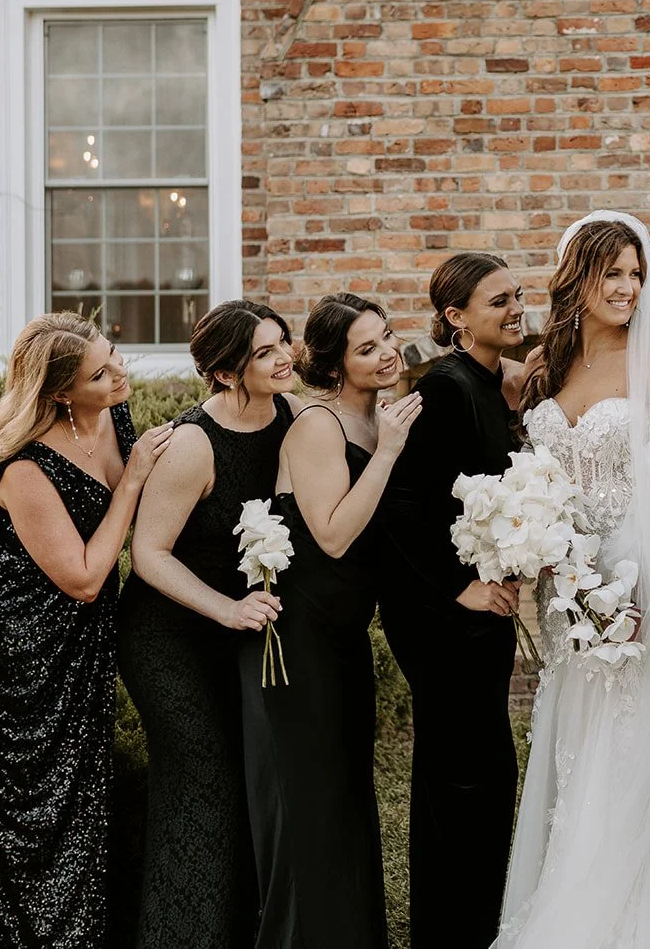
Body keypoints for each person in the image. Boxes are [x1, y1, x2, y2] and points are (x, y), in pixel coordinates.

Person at [499, 211, 650, 948]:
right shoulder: (549, 361)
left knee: (622, 768)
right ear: (578, 276)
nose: (630, 287)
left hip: (637, 595)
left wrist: (638, 593)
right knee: (573, 764)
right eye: (614, 273)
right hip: (567, 592)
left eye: (637, 273)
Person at [0, 312, 172, 947]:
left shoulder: (112, 414)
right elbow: (80, 576)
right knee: (37, 809)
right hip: (23, 651)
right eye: (99, 374)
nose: (119, 374)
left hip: (84, 640)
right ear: (58, 393)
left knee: (84, 794)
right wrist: (131, 481)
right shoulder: (25, 469)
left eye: (115, 356)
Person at [120, 300, 297, 949]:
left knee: (246, 783)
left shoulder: (290, 415)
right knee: (205, 783)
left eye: (285, 343)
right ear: (224, 372)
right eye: (267, 352)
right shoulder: (195, 442)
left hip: (238, 639)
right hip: (168, 637)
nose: (285, 357)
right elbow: (147, 555)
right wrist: (227, 609)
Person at [247, 294, 421, 948]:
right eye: (367, 347)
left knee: (348, 799)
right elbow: (333, 534)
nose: (387, 353)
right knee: (313, 804)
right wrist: (388, 453)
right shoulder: (319, 424)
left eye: (387, 338)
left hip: (346, 635)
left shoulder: (376, 417)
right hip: (302, 638)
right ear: (335, 362)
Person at [377, 253, 526, 949]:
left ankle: (475, 922)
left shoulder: (488, 385)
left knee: (484, 777)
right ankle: (451, 931)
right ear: (457, 317)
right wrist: (460, 584)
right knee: (464, 783)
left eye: (517, 295)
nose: (516, 307)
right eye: (500, 300)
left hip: (477, 619)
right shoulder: (446, 388)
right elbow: (403, 506)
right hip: (445, 621)